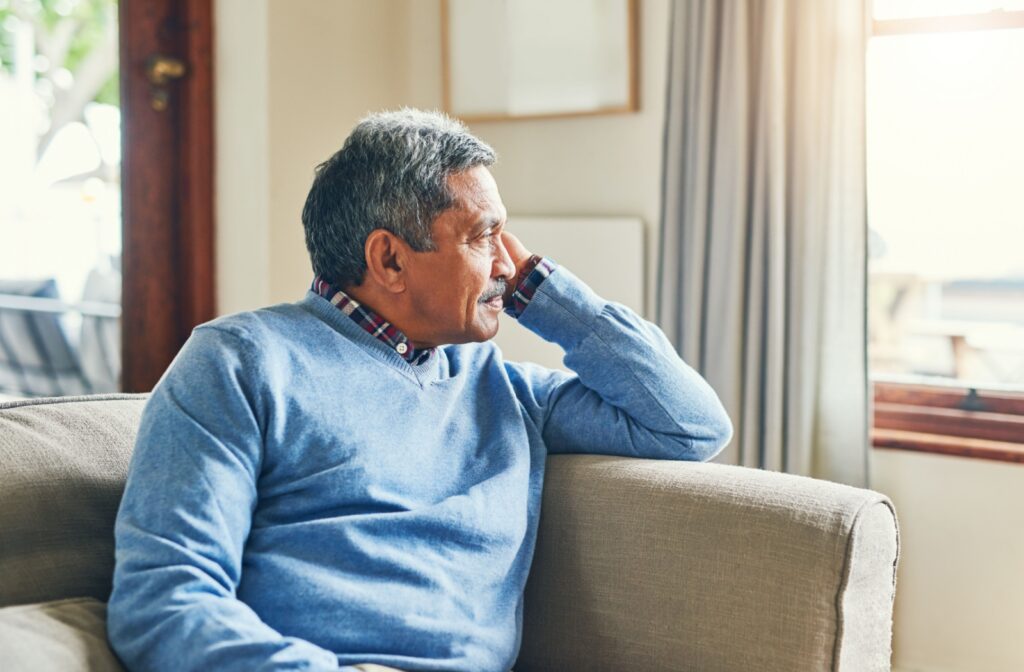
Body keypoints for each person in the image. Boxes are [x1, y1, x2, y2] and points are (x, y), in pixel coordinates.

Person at [107, 109, 733, 672]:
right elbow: (165, 599)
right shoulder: (240, 363)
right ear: (390, 261)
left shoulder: (504, 390)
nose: (506, 264)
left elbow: (689, 425)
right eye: (483, 237)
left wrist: (545, 293)